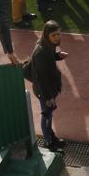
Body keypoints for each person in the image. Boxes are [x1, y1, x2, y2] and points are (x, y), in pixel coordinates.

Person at [30, 20, 67, 152]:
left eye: (58, 34)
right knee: (46, 115)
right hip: (45, 91)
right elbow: (41, 79)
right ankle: (48, 142)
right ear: (46, 35)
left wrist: (57, 56)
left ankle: (51, 137)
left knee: (49, 115)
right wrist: (48, 97)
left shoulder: (47, 46)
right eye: (54, 35)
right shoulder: (41, 52)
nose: (57, 37)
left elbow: (49, 58)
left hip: (49, 89)